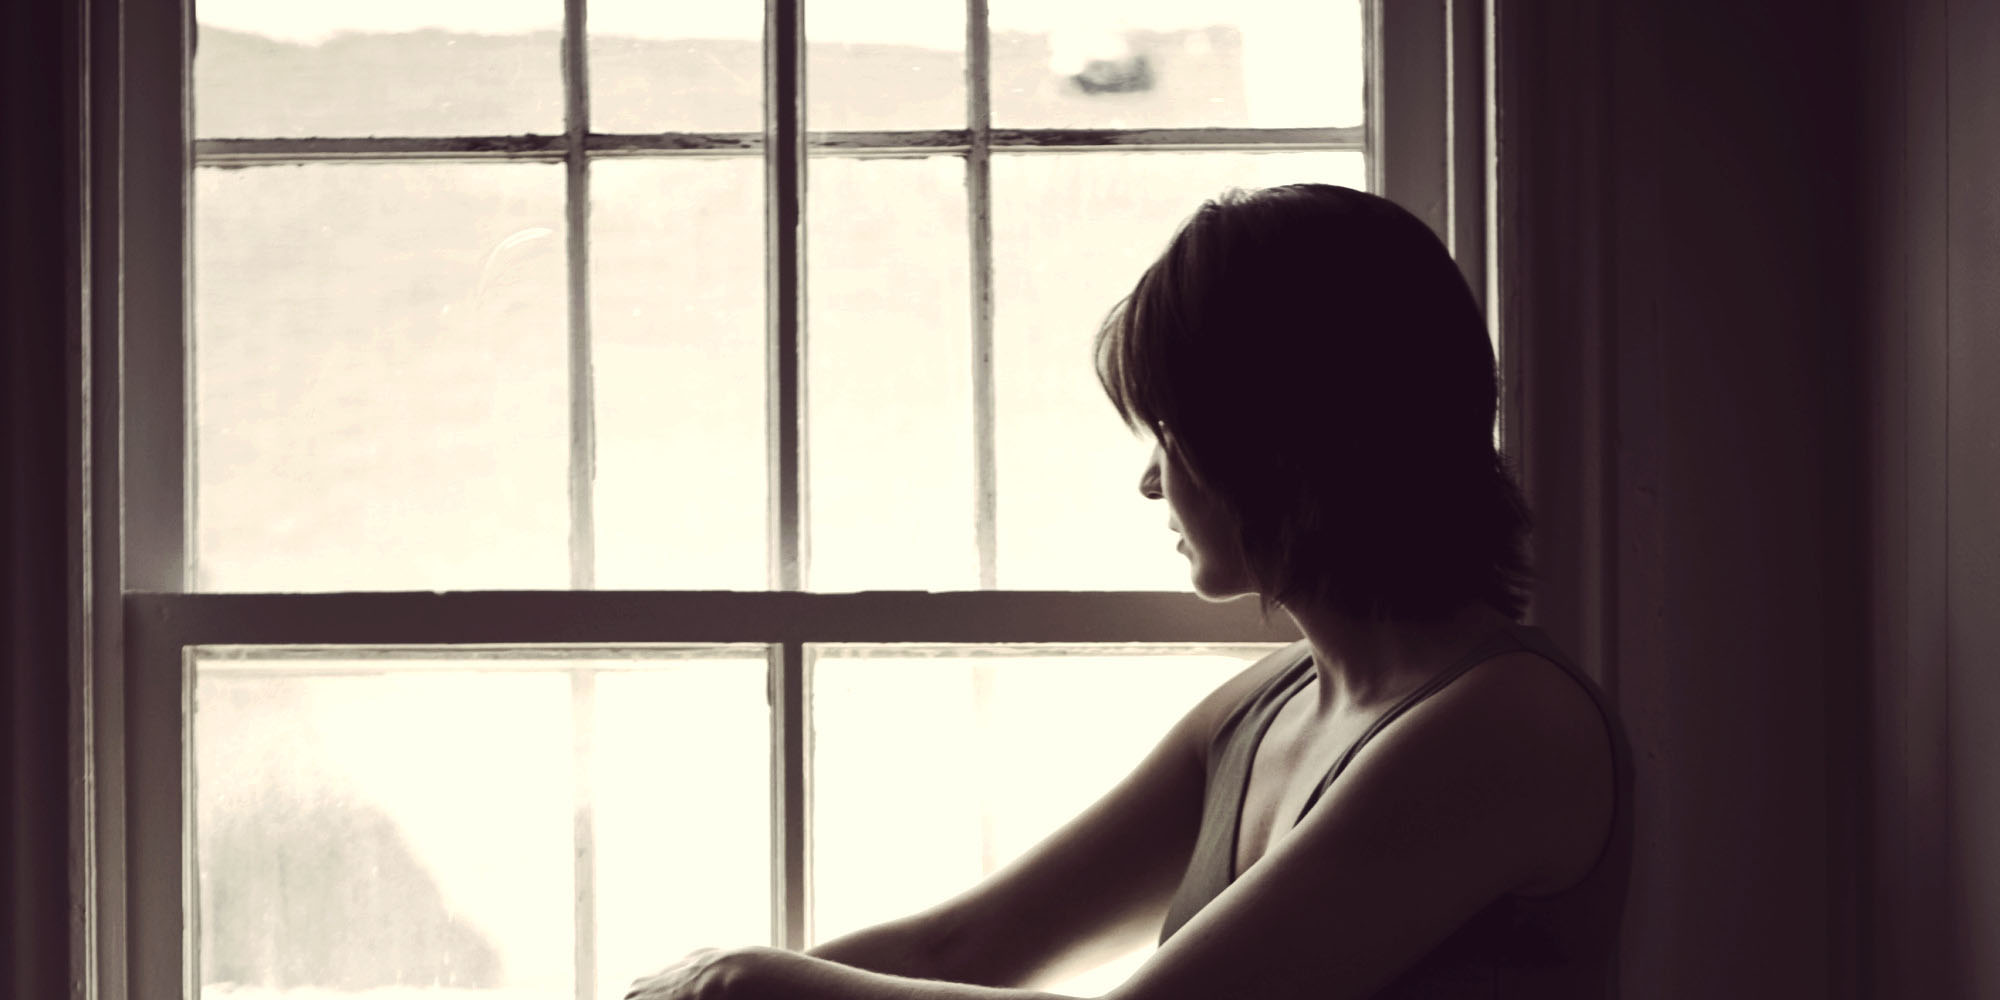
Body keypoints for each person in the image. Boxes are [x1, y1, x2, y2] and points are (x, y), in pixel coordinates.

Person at [627, 184, 1634, 1000]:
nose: (1152, 483)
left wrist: (750, 984)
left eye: (1167, 436)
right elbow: (967, 946)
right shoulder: (1263, 707)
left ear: (1271, 443)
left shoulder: (1506, 727)